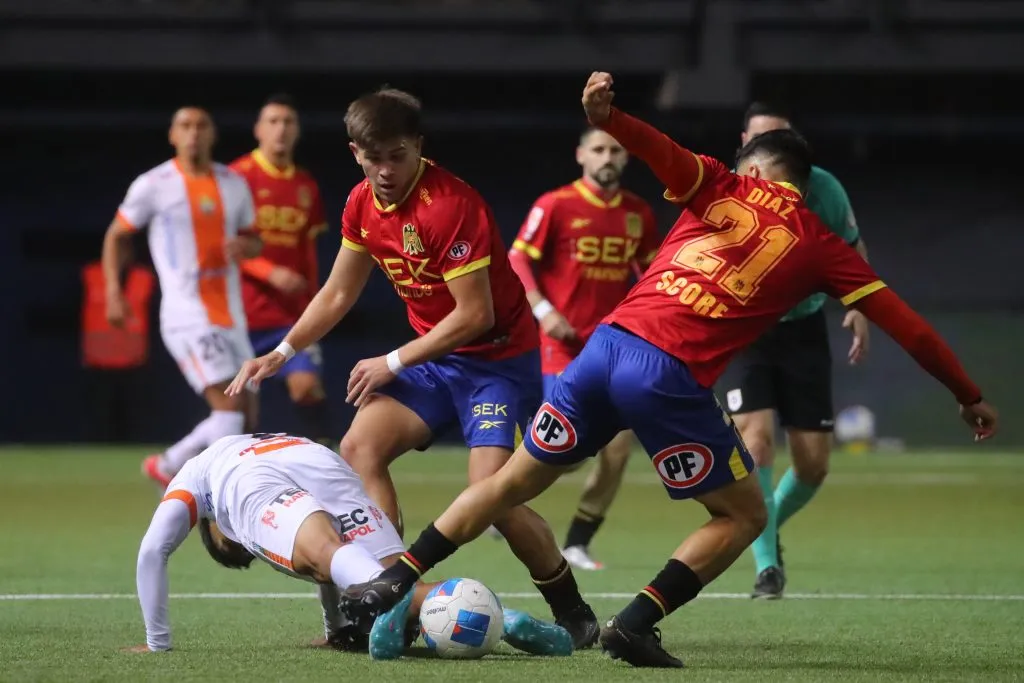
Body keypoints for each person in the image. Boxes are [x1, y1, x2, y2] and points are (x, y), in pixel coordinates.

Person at [338, 72, 998, 668]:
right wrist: (967, 394)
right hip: (666, 375)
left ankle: (393, 579)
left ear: (754, 167)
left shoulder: (722, 184)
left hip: (602, 349)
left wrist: (610, 118)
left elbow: (662, 151)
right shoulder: (823, 245)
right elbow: (909, 327)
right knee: (743, 514)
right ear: (806, 186)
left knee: (509, 483)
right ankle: (634, 623)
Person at [227, 88, 599, 648]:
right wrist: (283, 351)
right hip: (433, 357)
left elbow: (475, 315)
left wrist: (391, 360)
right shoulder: (361, 203)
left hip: (494, 363)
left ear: (418, 147)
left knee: (491, 496)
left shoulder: (450, 205)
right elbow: (337, 293)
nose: (385, 170)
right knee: (360, 448)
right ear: (355, 153)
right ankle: (392, 600)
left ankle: (572, 610)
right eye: (373, 158)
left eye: (397, 156)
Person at [126, 433, 571, 657]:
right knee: (393, 571)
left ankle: (393, 604)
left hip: (251, 481)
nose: (244, 546)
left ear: (211, 527)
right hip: (317, 457)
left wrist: (156, 643)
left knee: (319, 554)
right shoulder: (244, 441)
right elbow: (329, 568)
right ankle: (499, 618)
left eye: (233, 547)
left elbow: (152, 550)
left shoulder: (196, 478)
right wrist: (335, 630)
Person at [717, 102, 870, 598]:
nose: (772, 149)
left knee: (812, 465)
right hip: (746, 328)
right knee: (757, 441)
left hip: (804, 329)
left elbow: (851, 245)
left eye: (782, 139)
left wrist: (858, 305)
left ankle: (762, 527)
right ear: (744, 145)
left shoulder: (823, 189)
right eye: (762, 140)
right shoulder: (727, 190)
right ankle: (767, 568)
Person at [508, 127, 660, 571]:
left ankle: (578, 541)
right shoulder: (555, 205)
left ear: (625, 157)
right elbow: (518, 258)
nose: (606, 157)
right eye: (598, 149)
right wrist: (542, 310)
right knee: (564, 448)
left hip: (614, 345)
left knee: (617, 448)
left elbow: (651, 273)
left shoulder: (637, 213)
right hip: (565, 344)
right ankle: (503, 494)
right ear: (581, 155)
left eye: (615, 149)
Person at [102, 106, 262, 487]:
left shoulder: (233, 183)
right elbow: (117, 235)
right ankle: (212, 491)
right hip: (187, 313)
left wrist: (246, 247)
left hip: (231, 314)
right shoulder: (153, 184)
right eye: (185, 126)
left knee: (248, 415)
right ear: (173, 136)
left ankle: (169, 464)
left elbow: (255, 239)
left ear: (213, 135)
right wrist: (113, 290)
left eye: (201, 125)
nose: (193, 133)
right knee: (230, 408)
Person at [231, 94, 336, 447]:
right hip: (240, 316)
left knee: (306, 387)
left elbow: (308, 253)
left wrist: (316, 305)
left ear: (297, 131)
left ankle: (326, 456)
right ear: (258, 129)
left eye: (288, 122)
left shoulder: (305, 185)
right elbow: (223, 247)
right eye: (273, 121)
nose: (281, 129)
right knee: (240, 410)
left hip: (288, 317)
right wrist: (269, 272)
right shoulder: (237, 177)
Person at [81, 240, 156, 442]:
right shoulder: (91, 275)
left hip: (134, 357)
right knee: (100, 411)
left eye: (124, 249)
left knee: (134, 411)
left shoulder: (144, 277)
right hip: (99, 357)